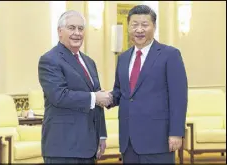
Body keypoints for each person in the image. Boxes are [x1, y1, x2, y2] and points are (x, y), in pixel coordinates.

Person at [105, 5, 188, 163]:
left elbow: (178, 97)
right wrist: (104, 97)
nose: (139, 30)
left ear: (154, 27)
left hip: (158, 140)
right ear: (128, 27)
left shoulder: (170, 55)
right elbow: (120, 92)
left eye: (144, 24)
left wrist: (176, 132)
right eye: (134, 25)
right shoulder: (123, 58)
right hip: (128, 141)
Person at [38, 10, 112, 163]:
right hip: (63, 147)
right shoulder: (50, 60)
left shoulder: (89, 62)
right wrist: (94, 97)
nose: (77, 33)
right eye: (71, 28)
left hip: (88, 146)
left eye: (80, 28)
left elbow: (97, 99)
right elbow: (59, 96)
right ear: (60, 31)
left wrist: (101, 134)